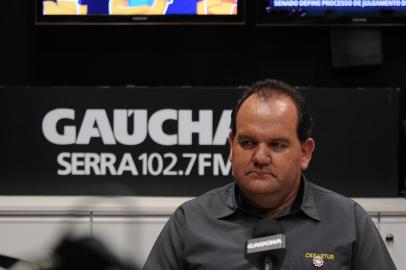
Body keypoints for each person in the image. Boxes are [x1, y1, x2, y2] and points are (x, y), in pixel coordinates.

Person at [142, 79, 396, 270]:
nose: (260, 157)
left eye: (277, 145)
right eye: (248, 142)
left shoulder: (348, 222)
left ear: (305, 153)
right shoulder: (190, 223)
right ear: (232, 145)